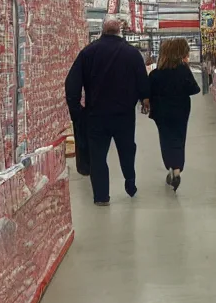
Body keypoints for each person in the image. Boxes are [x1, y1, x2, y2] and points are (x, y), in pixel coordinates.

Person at [65, 15, 150, 207]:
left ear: (102, 30)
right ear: (119, 31)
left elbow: (72, 84)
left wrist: (77, 111)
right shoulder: (132, 54)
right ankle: (130, 182)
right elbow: (143, 81)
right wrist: (145, 99)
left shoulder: (87, 53)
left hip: (96, 115)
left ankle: (101, 196)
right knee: (127, 150)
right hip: (124, 115)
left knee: (98, 156)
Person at [149, 38, 200, 191]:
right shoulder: (183, 70)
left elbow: (148, 93)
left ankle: (170, 166)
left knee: (165, 138)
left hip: (161, 112)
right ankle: (177, 170)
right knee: (179, 138)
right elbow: (195, 89)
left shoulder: (155, 74)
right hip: (181, 110)